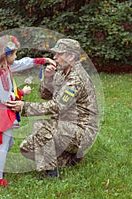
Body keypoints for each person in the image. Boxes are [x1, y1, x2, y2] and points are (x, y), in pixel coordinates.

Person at [6, 38, 99, 179]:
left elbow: (57, 106)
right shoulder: (62, 72)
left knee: (41, 126)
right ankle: (69, 158)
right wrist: (48, 78)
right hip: (63, 127)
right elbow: (45, 96)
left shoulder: (76, 79)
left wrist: (24, 107)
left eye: (59, 54)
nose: (54, 58)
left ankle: (51, 174)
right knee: (26, 148)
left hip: (82, 131)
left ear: (71, 56)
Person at [0, 35, 55, 187]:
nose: (16, 57)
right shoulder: (1, 74)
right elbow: (7, 97)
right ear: (6, 56)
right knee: (4, 144)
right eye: (14, 54)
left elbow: (23, 62)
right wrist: (21, 93)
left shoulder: (4, 67)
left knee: (8, 141)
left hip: (2, 111)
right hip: (3, 112)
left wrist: (43, 60)